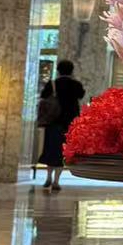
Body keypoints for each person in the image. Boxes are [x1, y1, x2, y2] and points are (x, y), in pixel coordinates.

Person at [37, 59, 85, 192]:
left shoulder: (52, 84)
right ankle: (56, 181)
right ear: (72, 71)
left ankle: (48, 177)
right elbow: (81, 95)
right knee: (62, 152)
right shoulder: (76, 85)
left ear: (58, 71)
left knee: (51, 150)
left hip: (53, 122)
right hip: (69, 124)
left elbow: (43, 96)